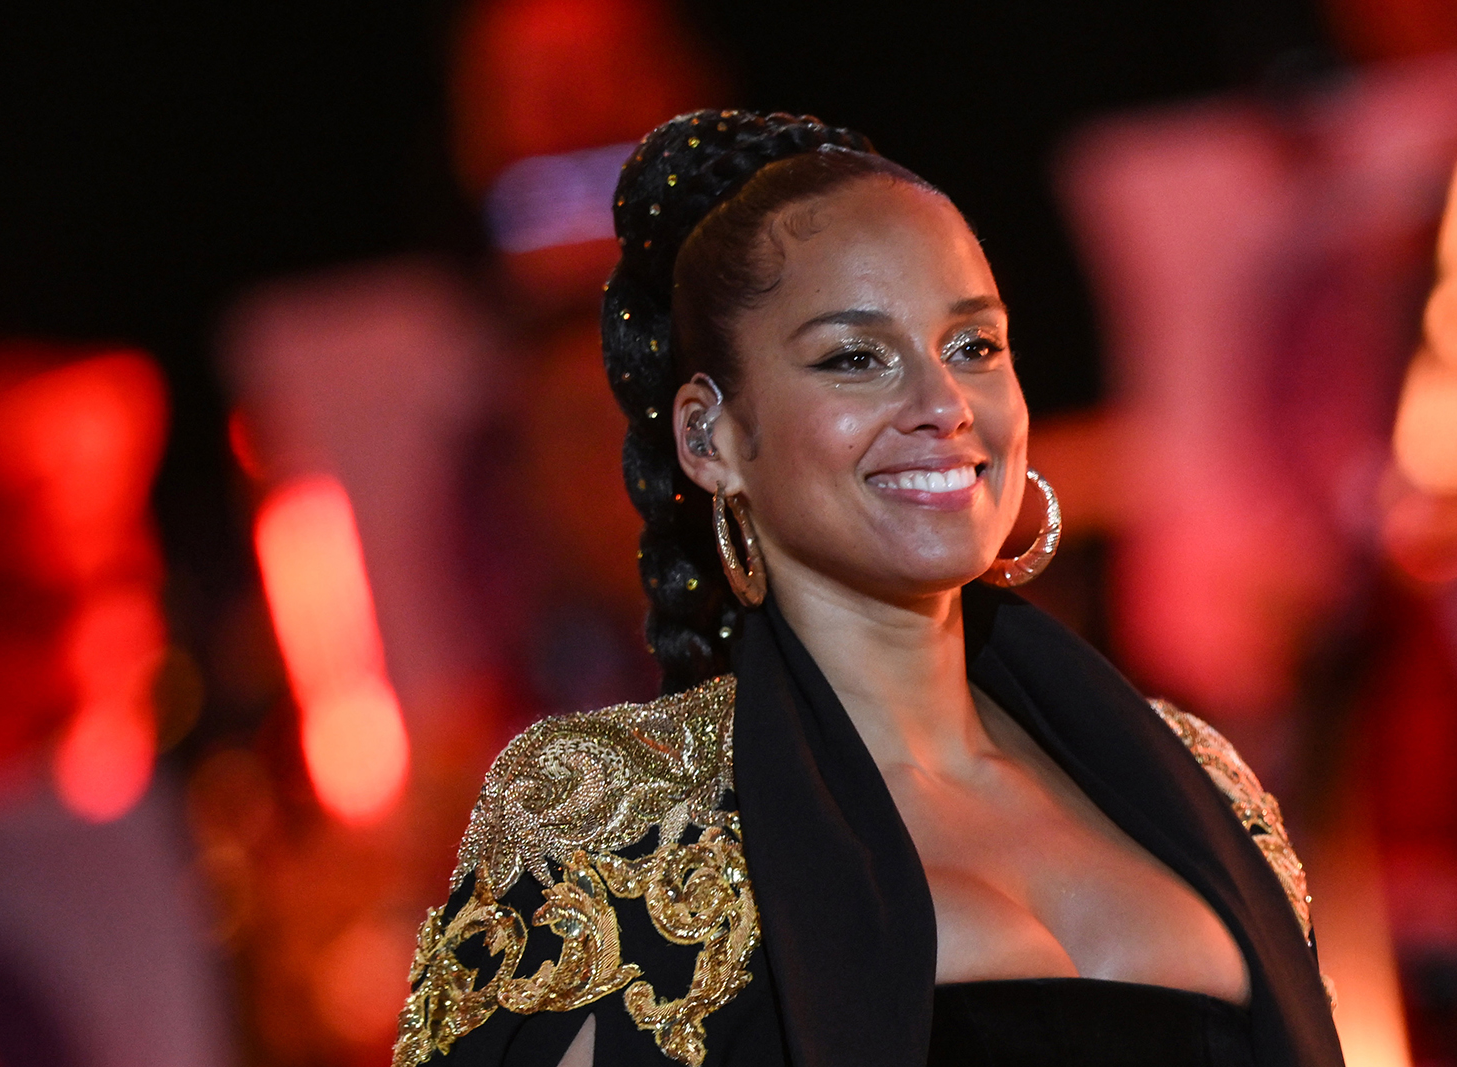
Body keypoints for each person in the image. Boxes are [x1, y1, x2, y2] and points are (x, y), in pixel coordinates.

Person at [391, 110, 1343, 1067]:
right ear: (708, 438)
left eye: (974, 346)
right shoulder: (615, 819)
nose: (942, 406)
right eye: (855, 358)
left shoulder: (1192, 771)